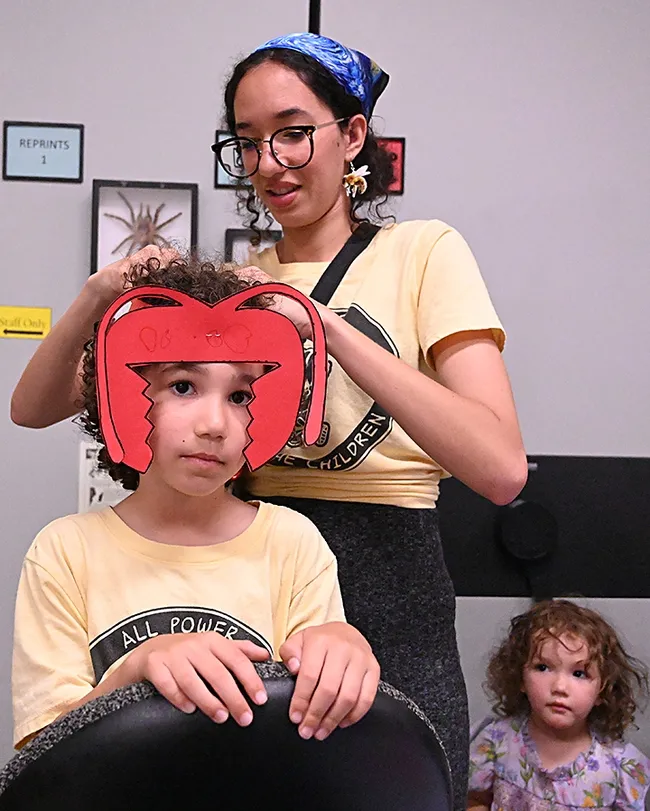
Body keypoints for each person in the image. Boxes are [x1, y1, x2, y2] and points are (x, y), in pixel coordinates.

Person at [10, 33, 528, 808]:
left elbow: (501, 467)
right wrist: (98, 294)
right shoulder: (232, 289)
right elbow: (33, 408)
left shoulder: (423, 252)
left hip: (388, 572)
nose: (269, 163)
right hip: (242, 556)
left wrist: (321, 326)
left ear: (353, 134)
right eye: (247, 143)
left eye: (292, 132)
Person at [11, 256, 379, 751]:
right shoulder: (64, 552)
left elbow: (316, 731)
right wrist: (133, 673)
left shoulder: (292, 544)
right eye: (183, 386)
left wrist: (340, 649)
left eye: (241, 396)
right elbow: (41, 757)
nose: (215, 425)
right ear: (121, 397)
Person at [467, 600, 650, 810]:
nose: (560, 687)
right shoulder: (496, 741)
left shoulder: (619, 767)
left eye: (579, 673)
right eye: (543, 667)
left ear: (602, 690)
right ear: (520, 677)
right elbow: (475, 800)